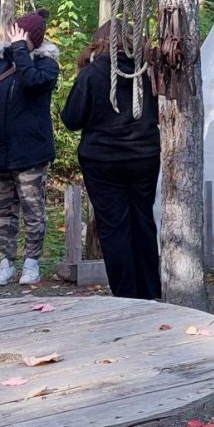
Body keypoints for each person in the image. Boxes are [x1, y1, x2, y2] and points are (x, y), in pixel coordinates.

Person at [61, 22, 161, 303]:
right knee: (142, 221)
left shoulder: (94, 73)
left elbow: (72, 118)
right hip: (143, 155)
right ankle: (149, 291)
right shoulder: (147, 72)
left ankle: (125, 295)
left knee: (114, 227)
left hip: (103, 159)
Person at [0, 10, 61, 287]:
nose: (13, 38)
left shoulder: (47, 65)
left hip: (30, 153)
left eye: (20, 35)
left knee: (32, 209)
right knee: (4, 211)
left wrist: (20, 51)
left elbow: (31, 81)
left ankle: (32, 262)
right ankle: (6, 262)